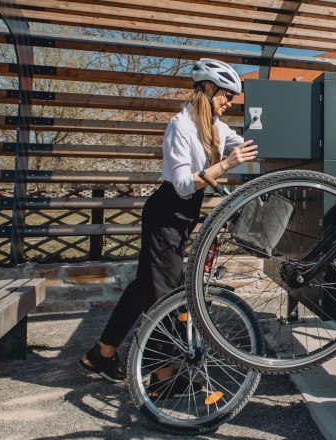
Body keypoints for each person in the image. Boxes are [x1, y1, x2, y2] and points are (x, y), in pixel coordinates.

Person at [79, 59, 259, 396]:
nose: (230, 102)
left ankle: (102, 354)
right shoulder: (181, 125)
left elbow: (244, 145)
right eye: (226, 95)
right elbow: (181, 184)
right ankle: (163, 378)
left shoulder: (218, 128)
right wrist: (226, 165)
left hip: (182, 219)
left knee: (144, 289)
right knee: (167, 298)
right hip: (166, 214)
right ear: (208, 90)